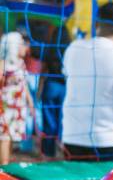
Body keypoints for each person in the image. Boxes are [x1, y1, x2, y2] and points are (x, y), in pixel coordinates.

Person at [61, 3, 113, 161]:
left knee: (73, 177)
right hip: (108, 138)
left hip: (72, 135)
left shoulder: (73, 48)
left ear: (96, 23)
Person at [37, 21, 71, 157]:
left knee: (49, 122)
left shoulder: (50, 48)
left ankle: (47, 153)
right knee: (63, 121)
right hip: (64, 87)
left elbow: (43, 70)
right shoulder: (70, 50)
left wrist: (39, 89)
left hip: (50, 85)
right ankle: (61, 151)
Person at [0, 31, 34, 165]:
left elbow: (23, 84)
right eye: (22, 44)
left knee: (11, 137)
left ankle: (7, 164)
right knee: (5, 136)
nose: (25, 47)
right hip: (5, 106)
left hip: (18, 106)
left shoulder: (21, 63)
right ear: (13, 46)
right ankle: (4, 166)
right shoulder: (3, 64)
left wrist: (30, 101)